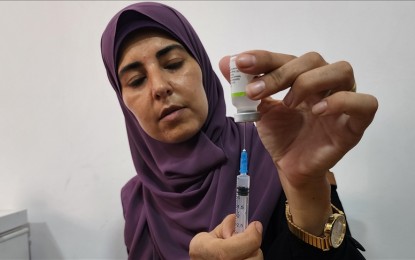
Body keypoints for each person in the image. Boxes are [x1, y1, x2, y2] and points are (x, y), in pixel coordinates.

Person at [100, 2, 378, 259]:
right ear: (122, 102)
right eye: (136, 80)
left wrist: (305, 191)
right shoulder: (138, 203)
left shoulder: (279, 152)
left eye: (173, 63)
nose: (159, 87)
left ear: (203, 69)